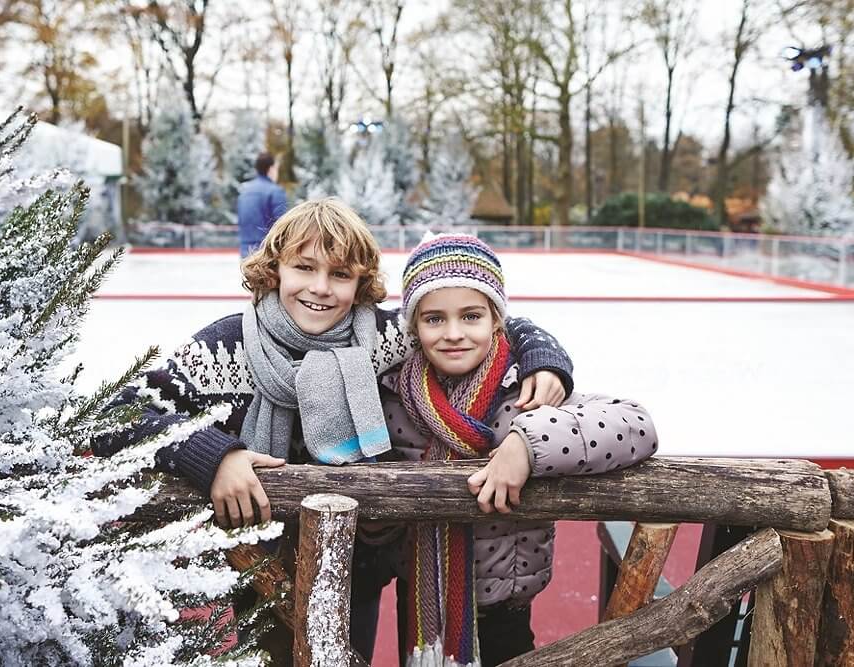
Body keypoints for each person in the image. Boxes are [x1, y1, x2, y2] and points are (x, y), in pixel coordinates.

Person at [90, 201, 576, 661]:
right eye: (304, 267)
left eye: (340, 274)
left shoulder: (386, 337)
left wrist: (545, 360)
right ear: (274, 268)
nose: (320, 287)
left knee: (350, 656)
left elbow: (483, 319)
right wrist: (215, 455)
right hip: (260, 562)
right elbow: (115, 416)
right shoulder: (227, 346)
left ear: (360, 282)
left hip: (357, 565)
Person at [379, 233, 659, 666]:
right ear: (413, 325)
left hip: (505, 604)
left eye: (471, 316)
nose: (453, 334)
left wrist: (527, 444)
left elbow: (636, 425)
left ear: (496, 320)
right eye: (434, 319)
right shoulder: (393, 392)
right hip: (420, 597)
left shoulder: (528, 388)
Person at [237, 151, 288, 257]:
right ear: (271, 169)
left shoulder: (245, 192)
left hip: (245, 252)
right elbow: (282, 224)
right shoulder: (275, 192)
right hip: (266, 252)